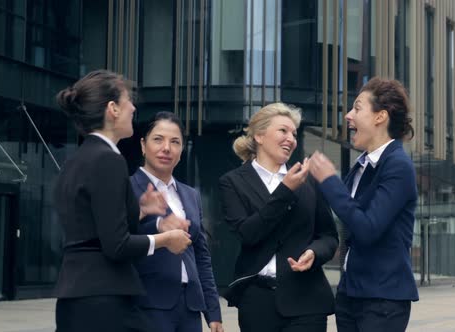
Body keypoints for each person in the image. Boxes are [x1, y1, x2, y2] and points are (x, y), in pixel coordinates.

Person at [53, 70, 192, 332]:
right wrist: (166, 239)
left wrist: (141, 210)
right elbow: (116, 246)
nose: (133, 108)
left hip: (77, 297)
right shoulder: (109, 160)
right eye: (128, 100)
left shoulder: (77, 160)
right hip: (104, 300)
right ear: (113, 109)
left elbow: (92, 227)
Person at [308, 77, 418, 332]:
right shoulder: (363, 164)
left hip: (382, 300)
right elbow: (346, 212)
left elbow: (368, 227)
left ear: (380, 116)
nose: (348, 116)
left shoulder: (398, 165)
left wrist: (329, 180)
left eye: (357, 108)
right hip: (351, 294)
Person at [218, 103, 338, 332]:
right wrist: (285, 191)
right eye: (283, 131)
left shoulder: (309, 180)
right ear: (260, 136)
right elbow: (248, 234)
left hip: (307, 300)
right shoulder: (232, 182)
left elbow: (329, 236)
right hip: (258, 303)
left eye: (294, 133)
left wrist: (314, 252)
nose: (291, 139)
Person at [128, 111, 224, 332]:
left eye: (175, 142)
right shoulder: (127, 188)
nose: (166, 148)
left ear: (182, 150)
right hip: (146, 305)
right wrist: (155, 225)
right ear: (143, 145)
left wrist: (212, 311)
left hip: (189, 307)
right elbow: (118, 238)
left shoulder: (190, 195)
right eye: (158, 139)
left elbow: (201, 256)